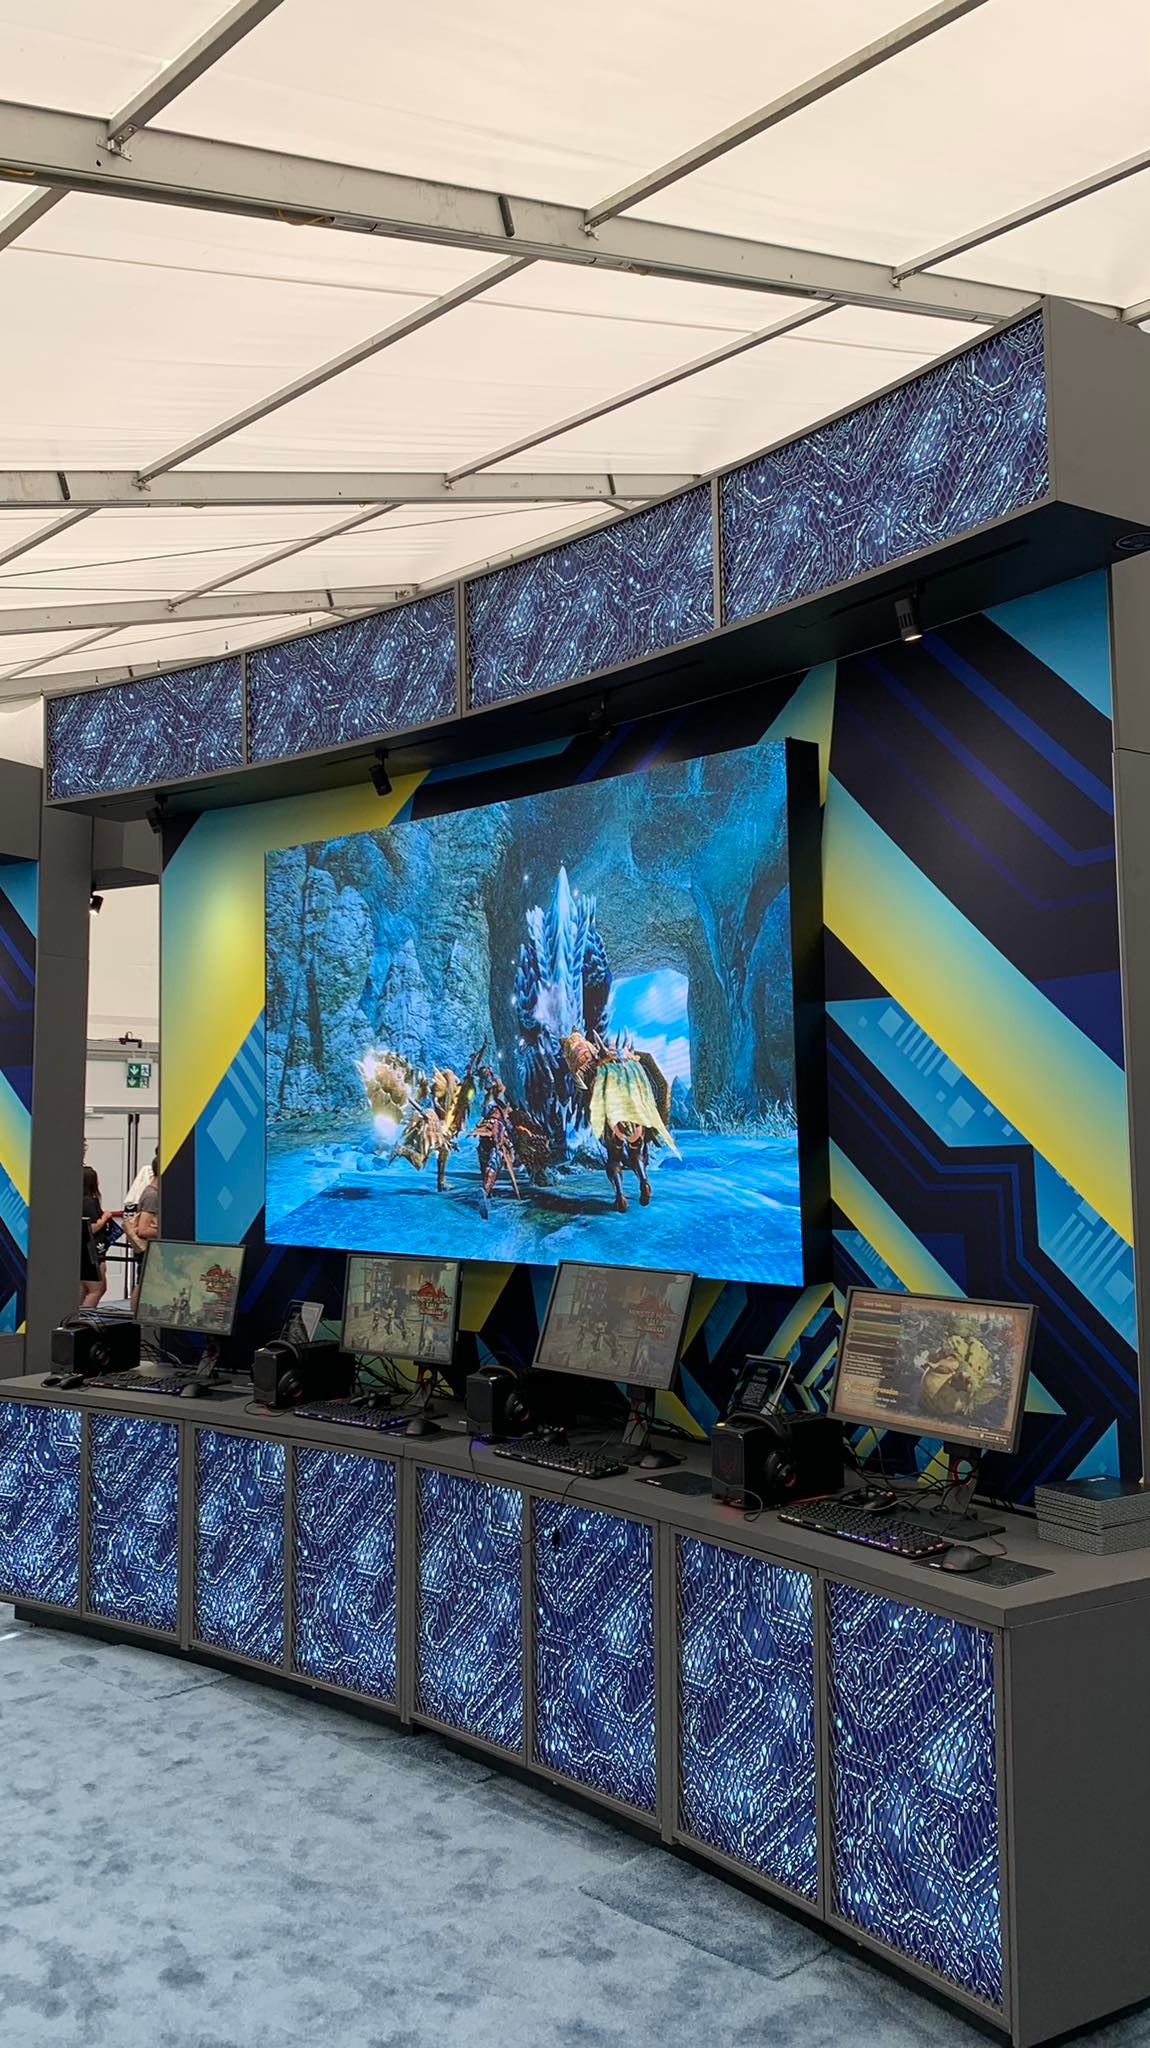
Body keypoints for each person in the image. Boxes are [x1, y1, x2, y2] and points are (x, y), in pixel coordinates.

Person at [124, 1153, 160, 1315]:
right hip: (148, 1249)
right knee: (142, 1283)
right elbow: (143, 1229)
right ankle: (136, 1316)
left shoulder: (151, 1193)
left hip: (150, 1248)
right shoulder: (152, 1196)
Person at [80, 1163, 115, 1310]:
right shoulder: (88, 1202)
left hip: (84, 1252)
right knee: (98, 1289)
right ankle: (84, 1316)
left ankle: (75, 1315)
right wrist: (105, 1217)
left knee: (83, 1288)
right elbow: (91, 1227)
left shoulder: (79, 1200)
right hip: (92, 1252)